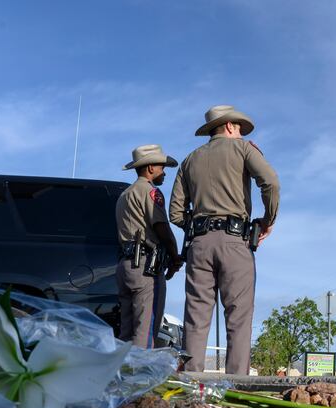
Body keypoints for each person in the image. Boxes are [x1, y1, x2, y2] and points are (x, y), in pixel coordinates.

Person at [169, 105, 280, 375]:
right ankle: (235, 387)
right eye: (239, 126)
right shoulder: (243, 149)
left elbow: (174, 212)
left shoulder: (189, 160)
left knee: (196, 316)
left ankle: (193, 386)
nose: (241, 131)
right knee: (238, 317)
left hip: (199, 245)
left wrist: (197, 227)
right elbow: (271, 183)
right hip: (234, 242)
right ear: (229, 126)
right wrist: (268, 220)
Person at [116, 145, 183, 348]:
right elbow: (162, 228)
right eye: (162, 168)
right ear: (151, 167)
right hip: (146, 267)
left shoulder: (124, 195)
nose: (164, 173)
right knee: (145, 332)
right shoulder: (150, 192)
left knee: (126, 331)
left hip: (125, 266)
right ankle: (140, 378)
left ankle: (123, 376)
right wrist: (175, 257)